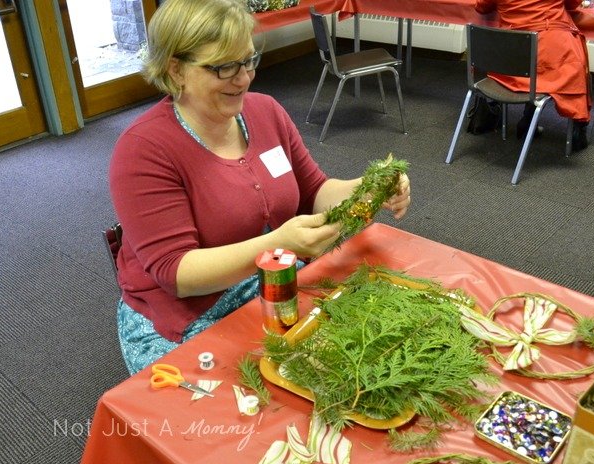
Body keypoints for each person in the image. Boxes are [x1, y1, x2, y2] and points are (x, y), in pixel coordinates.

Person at [108, 0, 411, 374]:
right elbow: (176, 274)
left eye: (249, 60)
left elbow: (314, 191)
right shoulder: (144, 149)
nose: (244, 78)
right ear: (176, 69)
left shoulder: (265, 111)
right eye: (224, 67)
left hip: (275, 281)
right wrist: (279, 244)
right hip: (188, 311)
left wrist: (368, 188)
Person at [474, 0, 592, 150]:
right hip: (551, 53)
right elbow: (573, 4)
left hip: (511, 62)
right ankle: (578, 127)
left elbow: (482, 7)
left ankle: (528, 119)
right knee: (574, 68)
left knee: (533, 75)